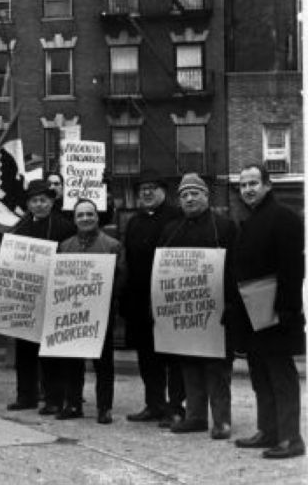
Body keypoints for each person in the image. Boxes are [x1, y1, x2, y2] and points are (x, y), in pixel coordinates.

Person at [230, 164, 305, 459]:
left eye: (253, 183)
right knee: (260, 373)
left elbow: (292, 268)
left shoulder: (283, 218)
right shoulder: (251, 220)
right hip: (253, 312)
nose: (248, 189)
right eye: (243, 184)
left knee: (281, 375)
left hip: (276, 312)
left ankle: (291, 437)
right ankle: (268, 430)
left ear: (268, 185)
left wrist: (287, 309)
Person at [158, 173, 237, 439]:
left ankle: (222, 420)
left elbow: (236, 268)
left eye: (195, 193)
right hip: (185, 313)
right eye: (184, 195)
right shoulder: (171, 231)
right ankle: (195, 416)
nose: (189, 198)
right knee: (189, 365)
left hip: (218, 312)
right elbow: (162, 273)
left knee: (217, 369)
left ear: (206, 195)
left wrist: (232, 303)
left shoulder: (225, 227)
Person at [5, 178, 75, 413]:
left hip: (53, 297)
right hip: (26, 299)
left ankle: (54, 399)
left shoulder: (64, 227)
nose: (39, 205)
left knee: (50, 352)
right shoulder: (19, 227)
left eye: (43, 200)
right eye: (34, 201)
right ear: (28, 204)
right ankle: (26, 396)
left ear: (52, 202)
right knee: (24, 351)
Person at [121, 170, 185, 425]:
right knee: (147, 357)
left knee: (172, 357)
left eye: (152, 187)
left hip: (167, 298)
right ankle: (153, 404)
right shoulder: (134, 221)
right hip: (139, 301)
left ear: (163, 191)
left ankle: (176, 406)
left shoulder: (177, 218)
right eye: (142, 189)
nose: (146, 193)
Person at [56, 198, 127, 424]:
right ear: (74, 220)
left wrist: (105, 298)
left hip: (101, 314)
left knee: (103, 363)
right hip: (72, 313)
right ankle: (73, 403)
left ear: (97, 217)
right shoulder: (65, 246)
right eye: (80, 215)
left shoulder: (112, 245)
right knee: (71, 362)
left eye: (89, 214)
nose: (85, 218)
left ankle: (104, 407)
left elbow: (122, 278)